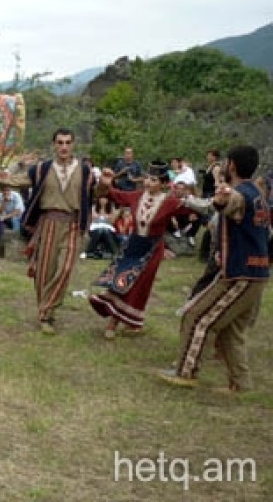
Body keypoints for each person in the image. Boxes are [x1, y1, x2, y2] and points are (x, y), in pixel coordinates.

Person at [159, 145, 269, 393]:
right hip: (257, 274)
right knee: (231, 330)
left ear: (230, 165)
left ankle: (186, 372)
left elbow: (227, 203)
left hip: (240, 274)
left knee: (197, 317)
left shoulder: (239, 194)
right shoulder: (258, 194)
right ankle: (241, 384)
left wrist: (221, 200)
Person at [88, 161, 193, 338]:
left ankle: (128, 322)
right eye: (147, 178)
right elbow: (113, 195)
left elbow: (194, 208)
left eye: (153, 180)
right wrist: (105, 182)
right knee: (121, 280)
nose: (148, 182)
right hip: (133, 245)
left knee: (140, 286)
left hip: (152, 249)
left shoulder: (170, 202)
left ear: (163, 183)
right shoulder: (136, 196)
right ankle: (115, 320)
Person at [21, 128, 94, 335]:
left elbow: (97, 193)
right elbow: (16, 180)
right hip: (48, 223)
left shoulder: (85, 171)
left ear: (73, 144)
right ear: (54, 145)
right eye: (60, 142)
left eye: (67, 142)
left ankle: (45, 310)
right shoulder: (41, 169)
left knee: (65, 268)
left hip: (73, 223)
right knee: (45, 271)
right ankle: (47, 316)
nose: (64, 147)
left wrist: (107, 185)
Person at [82, 195, 119, 260]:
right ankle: (89, 251)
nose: (103, 201)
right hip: (95, 228)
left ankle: (113, 252)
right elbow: (89, 220)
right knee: (100, 230)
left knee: (105, 230)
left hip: (108, 229)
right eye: (102, 199)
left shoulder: (111, 209)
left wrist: (107, 215)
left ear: (108, 200)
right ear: (99, 200)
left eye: (105, 199)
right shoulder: (93, 208)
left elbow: (112, 221)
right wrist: (86, 232)